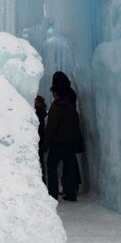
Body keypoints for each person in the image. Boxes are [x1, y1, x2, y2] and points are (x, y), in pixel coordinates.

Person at [43, 72, 81, 201]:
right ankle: (71, 194)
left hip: (57, 144)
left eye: (53, 92)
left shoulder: (56, 107)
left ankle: (52, 195)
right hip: (71, 144)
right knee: (70, 168)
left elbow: (51, 128)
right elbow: (76, 125)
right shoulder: (70, 106)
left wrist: (45, 145)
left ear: (56, 93)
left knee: (51, 167)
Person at [34, 95, 48, 182]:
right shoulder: (43, 112)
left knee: (39, 159)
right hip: (42, 137)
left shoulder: (38, 112)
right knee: (41, 159)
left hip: (39, 138)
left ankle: (42, 179)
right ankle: (43, 179)